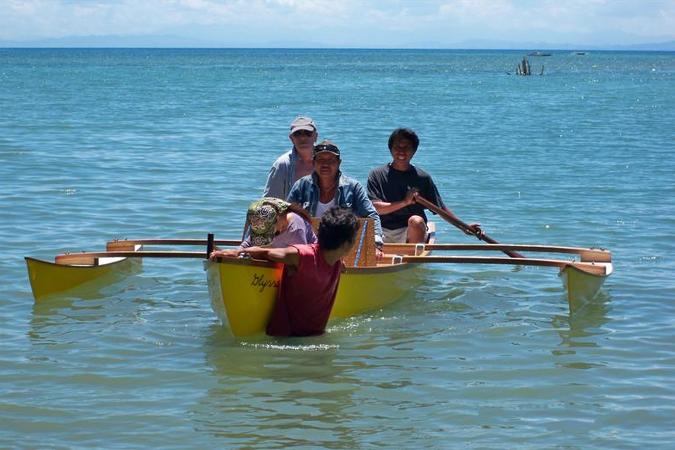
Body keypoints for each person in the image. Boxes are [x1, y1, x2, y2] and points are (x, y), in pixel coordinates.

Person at [242, 207, 360, 337]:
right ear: (346, 244)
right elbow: (266, 252)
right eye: (354, 238)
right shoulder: (303, 255)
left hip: (315, 338)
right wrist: (237, 252)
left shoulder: (338, 262)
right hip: (285, 340)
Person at [367, 128, 481, 243]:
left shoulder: (422, 178)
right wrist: (405, 202)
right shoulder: (377, 174)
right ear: (390, 149)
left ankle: (412, 258)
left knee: (416, 221)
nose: (401, 151)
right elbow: (375, 208)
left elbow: (441, 209)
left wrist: (464, 227)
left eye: (407, 147)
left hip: (411, 232)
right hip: (382, 231)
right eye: (397, 147)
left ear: (414, 151)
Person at [287, 140, 384, 256]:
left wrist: (376, 244)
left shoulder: (353, 187)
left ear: (339, 163)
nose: (325, 164)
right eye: (321, 160)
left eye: (330, 160)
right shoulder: (301, 186)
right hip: (307, 248)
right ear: (313, 162)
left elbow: (372, 216)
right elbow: (287, 215)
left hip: (342, 248)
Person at [209, 197, 316, 259]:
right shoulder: (263, 221)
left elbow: (299, 259)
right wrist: (236, 253)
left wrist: (253, 251)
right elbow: (248, 243)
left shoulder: (296, 229)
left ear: (278, 218)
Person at [263, 116, 318, 200]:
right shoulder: (282, 165)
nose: (303, 138)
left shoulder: (327, 161)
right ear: (291, 138)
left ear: (315, 136)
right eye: (298, 134)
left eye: (307, 133)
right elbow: (270, 202)